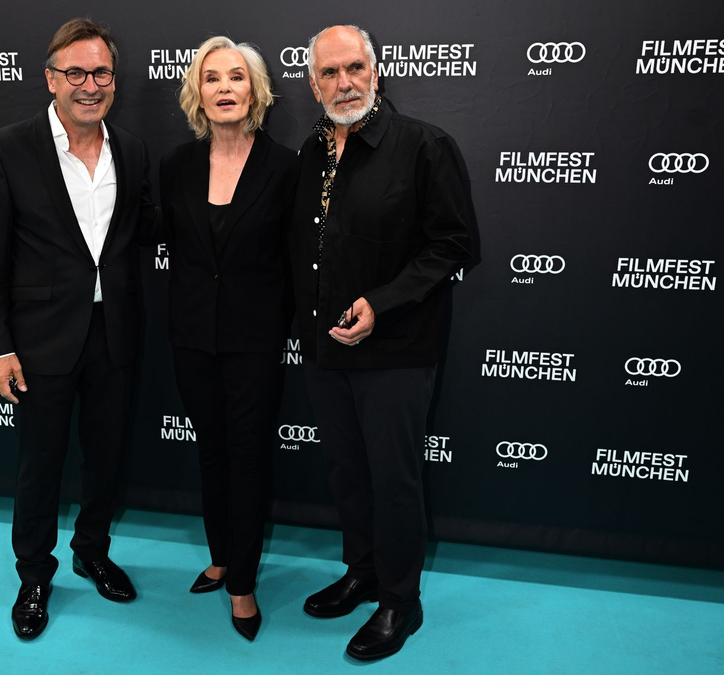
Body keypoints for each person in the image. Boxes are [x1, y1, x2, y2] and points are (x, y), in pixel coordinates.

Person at [289, 25, 474, 660]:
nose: (345, 82)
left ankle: (401, 601)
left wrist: (382, 304)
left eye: (355, 68)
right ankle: (363, 570)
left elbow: (454, 245)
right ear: (313, 84)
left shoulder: (424, 145)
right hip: (325, 348)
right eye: (331, 73)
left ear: (375, 70)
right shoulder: (309, 153)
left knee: (394, 477)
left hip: (396, 349)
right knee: (347, 469)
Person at [0, 18, 157, 640]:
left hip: (115, 332)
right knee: (41, 464)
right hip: (40, 339)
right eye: (75, 73)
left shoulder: (131, 150)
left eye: (100, 72)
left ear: (114, 80)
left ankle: (93, 550)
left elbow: (139, 242)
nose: (89, 85)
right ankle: (34, 574)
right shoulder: (7, 147)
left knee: (106, 457)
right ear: (50, 79)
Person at [159, 36, 298, 642]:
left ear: (255, 91)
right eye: (211, 78)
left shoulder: (287, 166)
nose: (224, 88)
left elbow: (295, 260)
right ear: (197, 92)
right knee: (211, 450)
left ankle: (242, 582)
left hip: (255, 339)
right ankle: (219, 555)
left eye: (236, 77)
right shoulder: (175, 166)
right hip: (192, 337)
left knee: (246, 456)